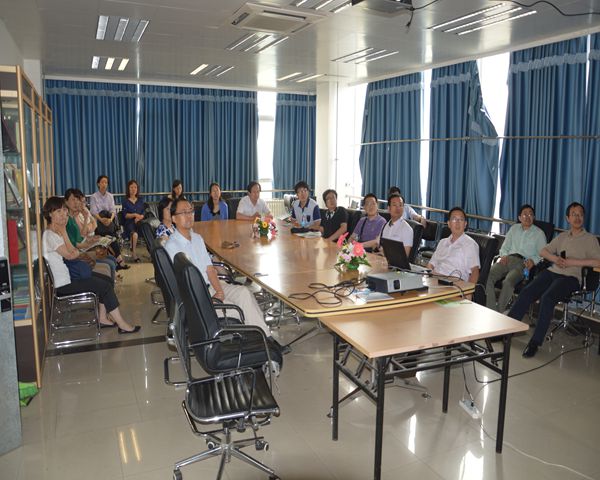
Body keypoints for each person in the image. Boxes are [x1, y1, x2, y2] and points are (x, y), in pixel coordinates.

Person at [165, 197, 288, 353]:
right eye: (184, 212)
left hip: (212, 286)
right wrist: (209, 298)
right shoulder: (172, 247)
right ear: (174, 218)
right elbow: (182, 285)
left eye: (190, 211)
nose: (189, 215)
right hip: (198, 295)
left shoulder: (197, 238)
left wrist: (220, 291)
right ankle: (258, 346)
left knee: (244, 293)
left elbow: (210, 269)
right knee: (237, 311)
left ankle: (267, 339)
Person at [509, 202, 600, 358]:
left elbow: (597, 261)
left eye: (580, 214)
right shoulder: (563, 236)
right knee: (526, 292)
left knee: (547, 298)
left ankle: (535, 342)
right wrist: (556, 259)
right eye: (574, 214)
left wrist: (572, 262)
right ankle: (507, 331)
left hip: (572, 277)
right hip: (553, 272)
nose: (577, 217)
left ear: (584, 218)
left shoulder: (590, 239)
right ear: (568, 218)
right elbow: (543, 251)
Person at [42, 196, 140, 334]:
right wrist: (65, 235)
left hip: (70, 276)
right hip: (65, 284)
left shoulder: (56, 232)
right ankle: (122, 325)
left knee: (106, 280)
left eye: (64, 210)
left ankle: (103, 318)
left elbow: (73, 251)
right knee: (105, 286)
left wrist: (66, 236)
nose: (63, 214)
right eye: (59, 211)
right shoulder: (50, 235)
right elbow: (71, 254)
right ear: (49, 214)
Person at [485, 204, 547, 312]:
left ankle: (499, 311)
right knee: (487, 276)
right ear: (519, 217)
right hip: (507, 259)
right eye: (525, 214)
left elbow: (543, 254)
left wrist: (533, 261)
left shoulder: (539, 234)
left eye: (530, 214)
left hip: (523, 263)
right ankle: (491, 309)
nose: (527, 217)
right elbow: (505, 247)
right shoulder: (514, 229)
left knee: (508, 281)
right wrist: (504, 255)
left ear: (534, 217)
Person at [64, 188, 117, 282]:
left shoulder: (72, 217)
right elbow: (76, 244)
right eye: (73, 200)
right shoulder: (67, 220)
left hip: (83, 248)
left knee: (111, 259)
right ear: (66, 202)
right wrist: (91, 244)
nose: (76, 203)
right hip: (80, 252)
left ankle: (110, 285)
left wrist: (91, 240)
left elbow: (85, 233)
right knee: (109, 264)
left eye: (77, 200)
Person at [427, 206, 480, 283]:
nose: (457, 223)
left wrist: (469, 290)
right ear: (449, 224)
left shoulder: (470, 244)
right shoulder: (442, 242)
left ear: (465, 224)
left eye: (461, 219)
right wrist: (428, 277)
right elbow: (430, 265)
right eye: (454, 219)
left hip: (454, 285)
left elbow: (475, 272)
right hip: (434, 280)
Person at [89, 174, 126, 264]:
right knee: (112, 237)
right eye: (102, 182)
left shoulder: (110, 196)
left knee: (111, 236)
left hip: (109, 222)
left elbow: (113, 210)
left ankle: (117, 259)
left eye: (106, 182)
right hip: (98, 222)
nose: (104, 184)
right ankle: (119, 259)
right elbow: (93, 211)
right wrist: (102, 220)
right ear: (98, 184)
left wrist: (110, 220)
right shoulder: (94, 196)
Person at [378, 193, 413, 258]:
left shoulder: (407, 229)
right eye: (394, 205)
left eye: (400, 205)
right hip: (383, 260)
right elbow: (382, 248)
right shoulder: (385, 226)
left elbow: (404, 256)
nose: (398, 208)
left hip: (397, 263)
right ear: (389, 208)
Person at [121, 179, 145, 262]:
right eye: (131, 187)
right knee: (134, 234)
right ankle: (134, 253)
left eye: (135, 187)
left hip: (140, 222)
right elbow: (125, 215)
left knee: (147, 230)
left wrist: (140, 217)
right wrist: (134, 215)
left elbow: (143, 212)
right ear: (128, 189)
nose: (133, 189)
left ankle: (152, 252)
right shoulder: (125, 201)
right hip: (129, 222)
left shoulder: (141, 199)